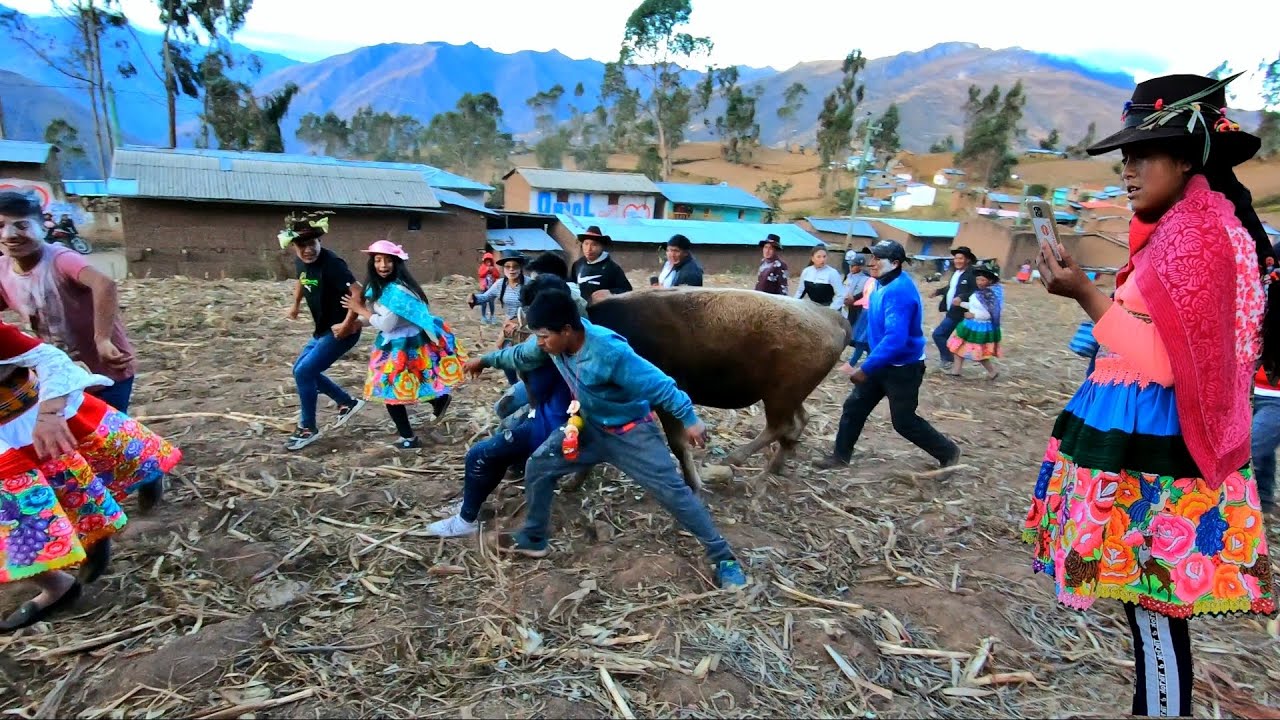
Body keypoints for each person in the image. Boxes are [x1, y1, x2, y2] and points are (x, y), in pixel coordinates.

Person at [1024, 73, 1277, 718]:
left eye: (1144, 154)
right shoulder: (1179, 229)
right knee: (1147, 615)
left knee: (1155, 614)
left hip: (1155, 457)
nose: (1129, 169)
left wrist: (1084, 294)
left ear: (1188, 157)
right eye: (1125, 156)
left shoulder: (1198, 236)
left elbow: (1165, 363)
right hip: (1137, 445)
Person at [462, 290, 748, 589]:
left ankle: (722, 556)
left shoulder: (609, 351)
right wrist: (485, 359)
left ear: (568, 329)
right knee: (540, 465)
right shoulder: (551, 346)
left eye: (545, 336)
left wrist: (690, 419)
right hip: (588, 427)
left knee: (673, 493)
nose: (540, 342)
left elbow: (659, 385)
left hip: (631, 433)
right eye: (538, 336)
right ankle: (534, 537)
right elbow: (520, 354)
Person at [0, 322, 182, 631]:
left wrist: (49, 414)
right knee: (17, 514)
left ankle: (132, 487)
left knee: (87, 466)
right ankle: (59, 584)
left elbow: (51, 359)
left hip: (30, 416)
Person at [427, 275, 576, 537]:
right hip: (547, 414)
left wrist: (486, 359)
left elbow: (522, 356)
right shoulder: (568, 334)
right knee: (501, 436)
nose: (537, 336)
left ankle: (465, 521)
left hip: (555, 425)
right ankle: (470, 505)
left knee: (479, 454)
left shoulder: (548, 346)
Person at [815, 240, 961, 470]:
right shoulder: (878, 283)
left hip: (903, 367)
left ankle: (949, 452)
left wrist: (866, 368)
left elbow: (896, 339)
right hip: (881, 360)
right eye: (871, 257)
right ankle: (840, 457)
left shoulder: (899, 292)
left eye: (876, 259)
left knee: (903, 421)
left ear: (894, 263)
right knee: (854, 408)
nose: (870, 263)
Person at [0, 191, 137, 413]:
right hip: (63, 369)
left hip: (106, 365)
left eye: (22, 226)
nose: (10, 235)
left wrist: (103, 339)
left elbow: (104, 284)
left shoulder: (59, 259)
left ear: (43, 227)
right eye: (0, 227)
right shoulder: (3, 270)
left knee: (107, 427)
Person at [341, 240, 466, 449]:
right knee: (410, 382)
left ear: (397, 263)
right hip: (395, 343)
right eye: (378, 260)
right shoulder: (378, 286)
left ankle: (408, 437)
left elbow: (386, 324)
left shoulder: (398, 291)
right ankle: (438, 401)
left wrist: (359, 310)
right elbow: (377, 316)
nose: (383, 265)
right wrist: (357, 324)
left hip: (405, 345)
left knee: (389, 389)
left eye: (388, 260)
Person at [281, 211, 365, 451]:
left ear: (320, 242)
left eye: (312, 244)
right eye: (301, 245)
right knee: (300, 370)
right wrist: (295, 305)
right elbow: (301, 279)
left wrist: (348, 324)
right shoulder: (302, 263)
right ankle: (346, 402)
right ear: (294, 246)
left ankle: (308, 427)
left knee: (305, 372)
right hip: (322, 330)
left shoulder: (333, 264)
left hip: (341, 330)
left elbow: (358, 293)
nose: (308, 249)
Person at [468, 249, 527, 385]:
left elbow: (536, 306)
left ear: (521, 267)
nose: (511, 270)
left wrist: (522, 321)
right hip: (509, 329)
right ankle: (513, 385)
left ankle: (527, 386)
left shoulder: (529, 284)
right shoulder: (500, 285)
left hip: (527, 328)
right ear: (503, 268)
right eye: (508, 267)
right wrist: (474, 298)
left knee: (525, 359)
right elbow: (485, 297)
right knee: (506, 358)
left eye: (515, 266)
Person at [946, 263, 1003, 380]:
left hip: (980, 327)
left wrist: (974, 315)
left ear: (990, 281)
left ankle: (992, 372)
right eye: (978, 279)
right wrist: (961, 304)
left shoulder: (990, 295)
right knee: (958, 346)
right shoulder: (979, 292)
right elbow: (974, 306)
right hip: (969, 324)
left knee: (979, 353)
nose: (979, 282)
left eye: (983, 280)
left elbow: (989, 314)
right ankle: (956, 370)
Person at [930, 245, 976, 371]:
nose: (957, 261)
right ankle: (951, 361)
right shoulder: (956, 273)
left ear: (967, 260)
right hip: (952, 310)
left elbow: (975, 291)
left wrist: (962, 297)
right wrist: (938, 291)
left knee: (938, 335)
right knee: (952, 338)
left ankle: (948, 360)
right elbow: (951, 288)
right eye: (956, 258)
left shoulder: (972, 274)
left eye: (961, 258)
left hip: (961, 312)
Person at [571, 226, 632, 303]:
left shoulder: (612, 268)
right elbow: (571, 285)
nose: (589, 249)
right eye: (586, 244)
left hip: (603, 311)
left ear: (601, 246)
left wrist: (609, 292)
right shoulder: (578, 264)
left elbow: (627, 291)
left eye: (594, 245)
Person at [843, 252, 875, 366]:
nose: (851, 267)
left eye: (854, 265)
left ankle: (854, 363)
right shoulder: (850, 276)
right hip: (861, 309)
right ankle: (859, 361)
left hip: (865, 311)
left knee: (860, 338)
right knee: (860, 338)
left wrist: (854, 301)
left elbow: (864, 296)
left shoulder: (867, 279)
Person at [476, 251, 501, 325]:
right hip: (484, 288)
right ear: (484, 262)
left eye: (489, 262)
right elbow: (481, 274)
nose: (488, 263)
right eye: (487, 261)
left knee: (491, 303)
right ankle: (483, 317)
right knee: (483, 303)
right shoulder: (482, 267)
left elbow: (497, 275)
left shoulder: (493, 268)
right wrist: (487, 270)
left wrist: (492, 271)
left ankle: (492, 316)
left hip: (491, 289)